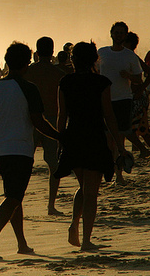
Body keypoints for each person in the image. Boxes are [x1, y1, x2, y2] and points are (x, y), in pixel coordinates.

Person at [0, 42, 61, 260]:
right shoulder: (28, 88)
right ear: (26, 63)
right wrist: (60, 136)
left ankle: (21, 243)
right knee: (14, 196)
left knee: (15, 195)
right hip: (20, 149)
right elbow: (38, 122)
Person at [54, 42, 128, 251]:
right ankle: (86, 240)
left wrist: (61, 141)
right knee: (91, 192)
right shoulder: (101, 82)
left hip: (74, 137)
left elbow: (62, 115)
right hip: (94, 137)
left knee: (85, 187)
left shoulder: (65, 82)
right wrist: (119, 145)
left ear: (73, 59)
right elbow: (109, 115)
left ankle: (75, 225)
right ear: (94, 59)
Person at [97, 21, 142, 185]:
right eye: (116, 32)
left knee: (119, 140)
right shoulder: (102, 52)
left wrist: (129, 76)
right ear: (111, 34)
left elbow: (139, 77)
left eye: (122, 33)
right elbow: (94, 71)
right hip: (104, 100)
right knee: (107, 140)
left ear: (125, 35)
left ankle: (119, 176)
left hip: (123, 99)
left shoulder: (129, 55)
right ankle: (109, 172)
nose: (118, 35)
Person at [25, 36, 66, 215]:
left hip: (29, 120)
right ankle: (51, 205)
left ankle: (17, 202)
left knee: (25, 163)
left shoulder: (27, 72)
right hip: (52, 119)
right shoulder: (59, 74)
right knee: (53, 165)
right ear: (52, 51)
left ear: (36, 51)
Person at [122, 31, 150, 158]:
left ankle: (146, 150)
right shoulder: (128, 56)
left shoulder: (132, 57)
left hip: (137, 97)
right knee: (140, 129)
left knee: (132, 128)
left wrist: (140, 89)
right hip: (134, 95)